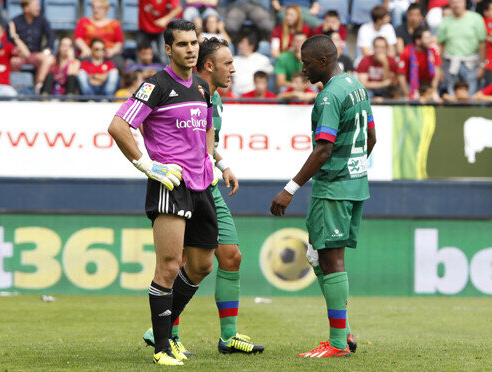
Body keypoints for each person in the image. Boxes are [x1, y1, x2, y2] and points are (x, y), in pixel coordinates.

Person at [143, 37, 265, 356]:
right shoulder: (180, 89)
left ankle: (228, 336)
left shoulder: (211, 96)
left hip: (209, 183)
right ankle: (167, 334)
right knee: (183, 261)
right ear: (208, 65)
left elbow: (205, 144)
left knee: (230, 256)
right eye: (228, 63)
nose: (234, 70)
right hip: (184, 187)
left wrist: (222, 165)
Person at [107, 20, 217, 366]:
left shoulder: (201, 86)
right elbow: (118, 125)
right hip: (170, 184)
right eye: (182, 44)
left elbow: (209, 126)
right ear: (168, 49)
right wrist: (146, 165)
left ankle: (162, 330)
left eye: (194, 43)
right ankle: (162, 347)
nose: (190, 49)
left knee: (201, 265)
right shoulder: (155, 86)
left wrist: (211, 160)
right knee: (169, 267)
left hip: (201, 186)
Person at [270, 34, 374, 358]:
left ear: (323, 62)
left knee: (330, 258)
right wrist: (355, 168)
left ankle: (338, 343)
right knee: (319, 254)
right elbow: (371, 136)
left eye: (306, 63)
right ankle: (343, 331)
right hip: (355, 184)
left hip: (333, 187)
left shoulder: (329, 97)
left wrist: (289, 189)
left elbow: (324, 148)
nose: (303, 70)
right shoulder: (356, 86)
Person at [437, 0, 486, 97]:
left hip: (471, 64)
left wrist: (482, 65)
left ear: (464, 3)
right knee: (452, 95)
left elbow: (482, 44)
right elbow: (440, 46)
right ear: (450, 4)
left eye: (459, 2)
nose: (456, 5)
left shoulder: (476, 18)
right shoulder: (446, 21)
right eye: (453, 2)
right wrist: (439, 68)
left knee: (471, 96)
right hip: (451, 63)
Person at [9, 0, 54, 89]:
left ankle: (38, 85)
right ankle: (18, 88)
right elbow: (8, 41)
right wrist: (16, 51)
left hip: (35, 54)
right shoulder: (14, 21)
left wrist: (47, 49)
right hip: (19, 55)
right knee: (12, 61)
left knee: (48, 58)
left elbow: (51, 35)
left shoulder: (41, 20)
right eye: (35, 6)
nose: (38, 8)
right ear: (26, 8)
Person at [74, 0, 124, 70]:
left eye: (99, 8)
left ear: (106, 10)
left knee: (119, 65)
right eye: (94, 7)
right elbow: (78, 38)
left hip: (107, 54)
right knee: (79, 65)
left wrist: (112, 51)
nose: (96, 10)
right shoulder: (83, 21)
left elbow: (119, 42)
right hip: (89, 53)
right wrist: (85, 49)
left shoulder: (114, 23)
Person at [397, 26, 442, 101]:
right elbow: (401, 76)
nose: (430, 40)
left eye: (430, 37)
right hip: (411, 84)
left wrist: (432, 91)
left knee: (436, 99)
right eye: (427, 38)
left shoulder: (433, 50)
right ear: (418, 41)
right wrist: (407, 94)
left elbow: (437, 73)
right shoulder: (406, 52)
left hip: (428, 84)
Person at [138, 0, 182, 65]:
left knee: (163, 57)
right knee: (139, 58)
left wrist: (166, 19)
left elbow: (178, 8)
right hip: (144, 29)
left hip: (161, 29)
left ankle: (166, 74)